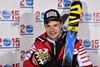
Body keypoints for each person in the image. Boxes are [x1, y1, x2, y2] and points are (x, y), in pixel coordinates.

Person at [23, 9, 93, 67]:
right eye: (48, 26)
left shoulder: (74, 43)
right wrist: (33, 61)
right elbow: (25, 64)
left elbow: (87, 65)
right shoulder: (38, 44)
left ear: (61, 24)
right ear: (45, 26)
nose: (52, 29)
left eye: (55, 25)